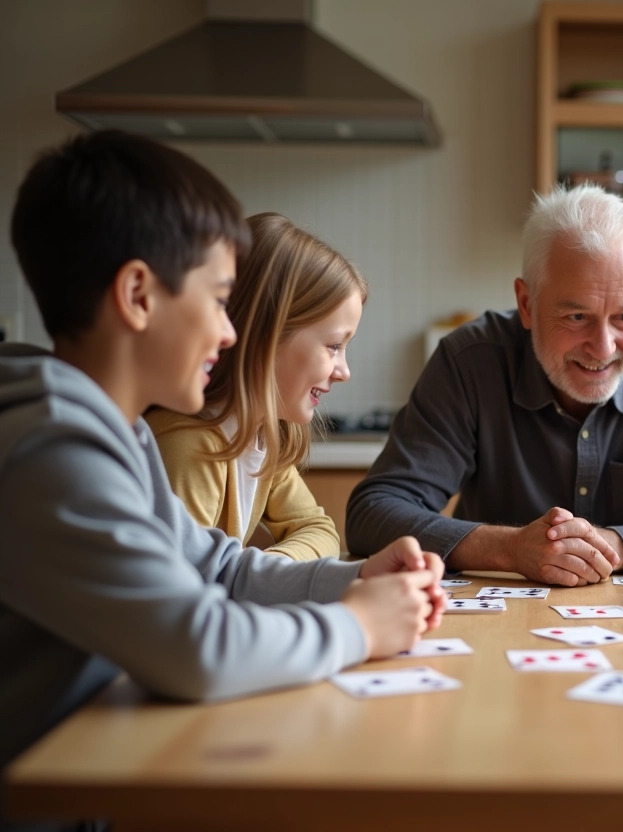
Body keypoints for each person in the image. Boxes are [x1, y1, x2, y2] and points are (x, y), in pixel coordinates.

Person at [0, 130, 445, 782]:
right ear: (138, 296)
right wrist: (359, 627)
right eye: (217, 300)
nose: (232, 331)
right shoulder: (55, 453)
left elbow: (216, 567)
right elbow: (199, 646)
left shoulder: (121, 436)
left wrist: (353, 580)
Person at [346, 184, 623, 586]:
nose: (603, 346)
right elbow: (372, 513)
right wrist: (509, 549)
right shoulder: (470, 360)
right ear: (526, 303)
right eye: (576, 317)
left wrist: (618, 545)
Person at [147, 212, 366, 560]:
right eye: (334, 346)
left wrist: (269, 572)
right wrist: (264, 578)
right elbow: (186, 591)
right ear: (267, 337)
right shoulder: (190, 445)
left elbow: (317, 528)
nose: (343, 371)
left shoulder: (261, 436)